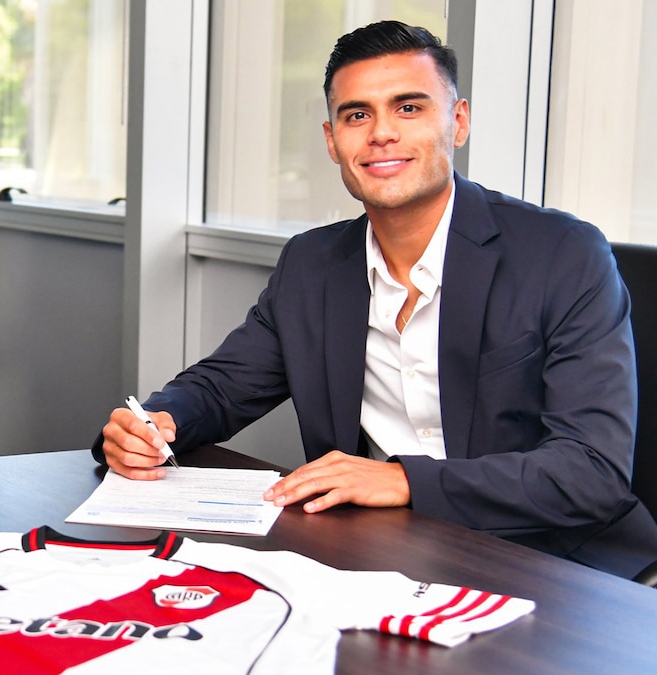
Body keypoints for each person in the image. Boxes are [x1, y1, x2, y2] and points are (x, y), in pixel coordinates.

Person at [95, 20, 657, 579]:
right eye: (357, 114)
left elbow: (590, 474)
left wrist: (403, 479)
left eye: (409, 108)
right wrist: (156, 423)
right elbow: (220, 388)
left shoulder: (561, 253)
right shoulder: (313, 264)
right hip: (382, 558)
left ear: (457, 122)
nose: (381, 133)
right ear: (332, 140)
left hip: (555, 567)